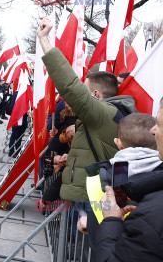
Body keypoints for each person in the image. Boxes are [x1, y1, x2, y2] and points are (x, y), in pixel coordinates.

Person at [37, 17, 138, 250]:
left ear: (94, 94)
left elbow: (69, 86)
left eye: (84, 87)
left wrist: (44, 41)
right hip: (92, 193)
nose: (79, 91)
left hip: (91, 198)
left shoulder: (104, 112)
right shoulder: (113, 112)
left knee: (78, 247)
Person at [96, 109, 163, 262]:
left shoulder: (150, 217)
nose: (153, 130)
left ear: (118, 143)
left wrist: (112, 221)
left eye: (159, 124)